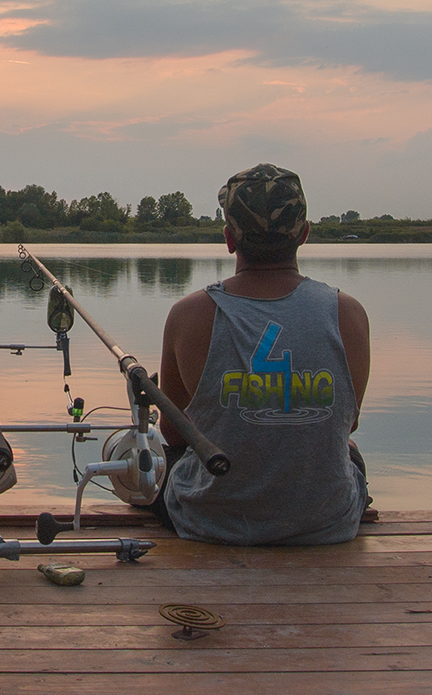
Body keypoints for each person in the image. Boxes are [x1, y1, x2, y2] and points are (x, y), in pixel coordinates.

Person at [156, 163, 373, 544]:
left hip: (210, 524)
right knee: (350, 452)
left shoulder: (188, 315)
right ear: (304, 234)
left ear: (228, 238)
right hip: (326, 524)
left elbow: (173, 433)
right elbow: (346, 425)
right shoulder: (348, 314)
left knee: (161, 461)